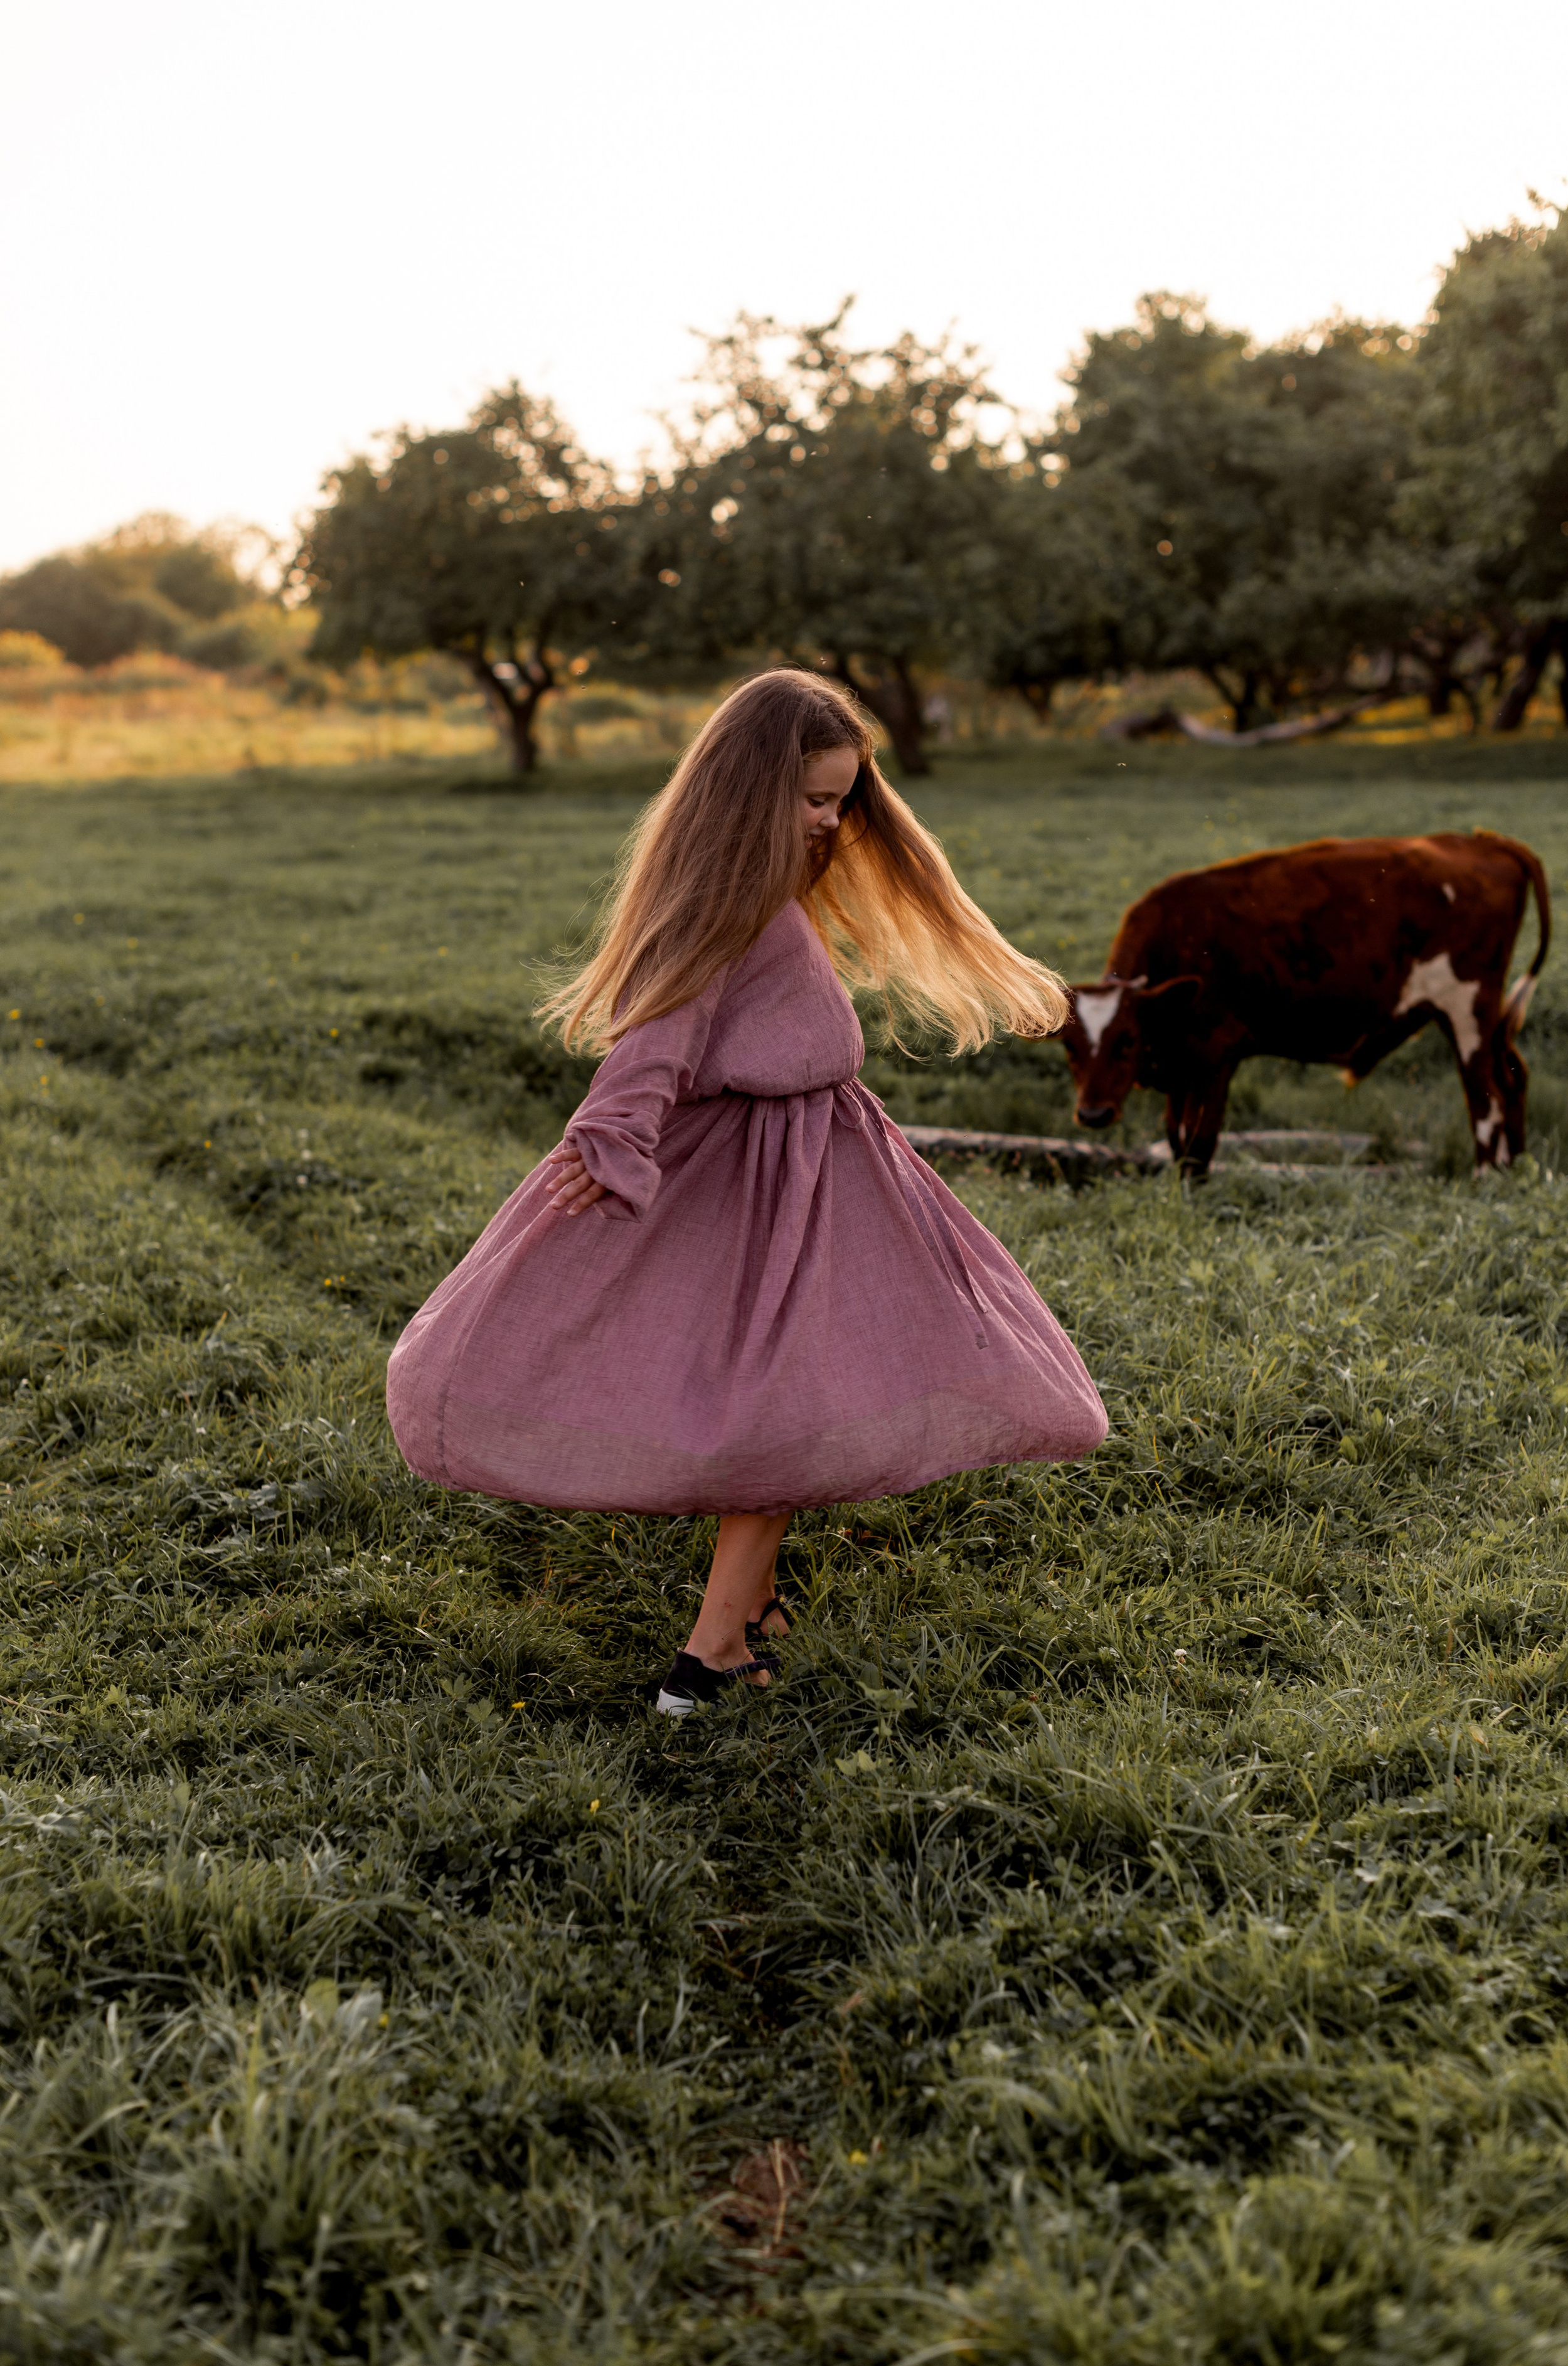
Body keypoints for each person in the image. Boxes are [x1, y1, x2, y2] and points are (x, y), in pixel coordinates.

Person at [387, 669, 1107, 1715]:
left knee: (809, 1378)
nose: (829, 823)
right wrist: (616, 1128)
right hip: (773, 1171)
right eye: (813, 801)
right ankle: (711, 1653)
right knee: (789, 1400)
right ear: (748, 791)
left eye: (841, 802)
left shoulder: (762, 884)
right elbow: (659, 1032)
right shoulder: (727, 899)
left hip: (823, 1153)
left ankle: (755, 1600)